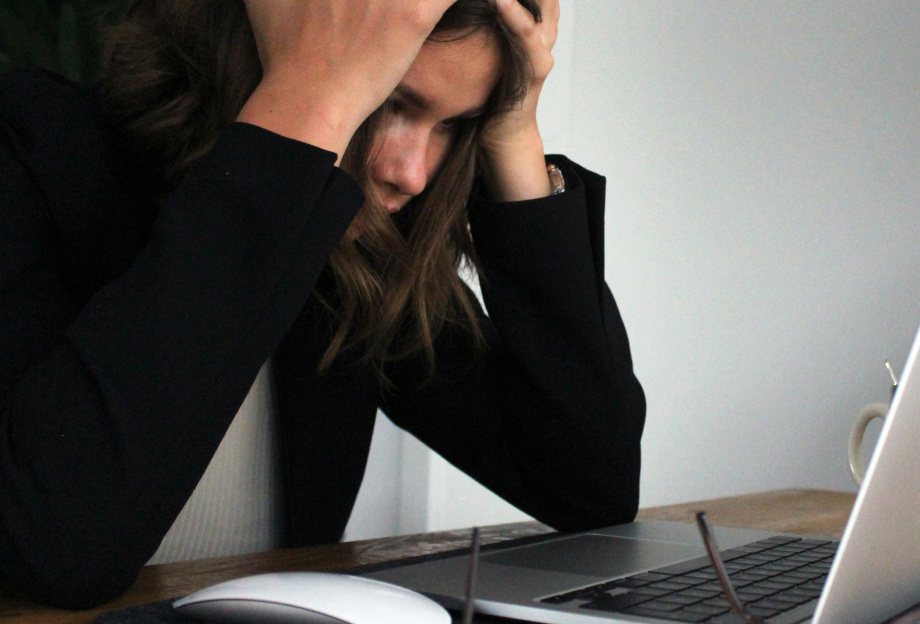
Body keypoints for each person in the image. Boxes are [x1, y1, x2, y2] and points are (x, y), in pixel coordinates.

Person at [0, 0, 645, 609]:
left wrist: (513, 132)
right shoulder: (33, 146)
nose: (412, 173)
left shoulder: (349, 258)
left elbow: (589, 485)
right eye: (390, 100)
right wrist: (310, 99)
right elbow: (56, 551)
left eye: (452, 124)